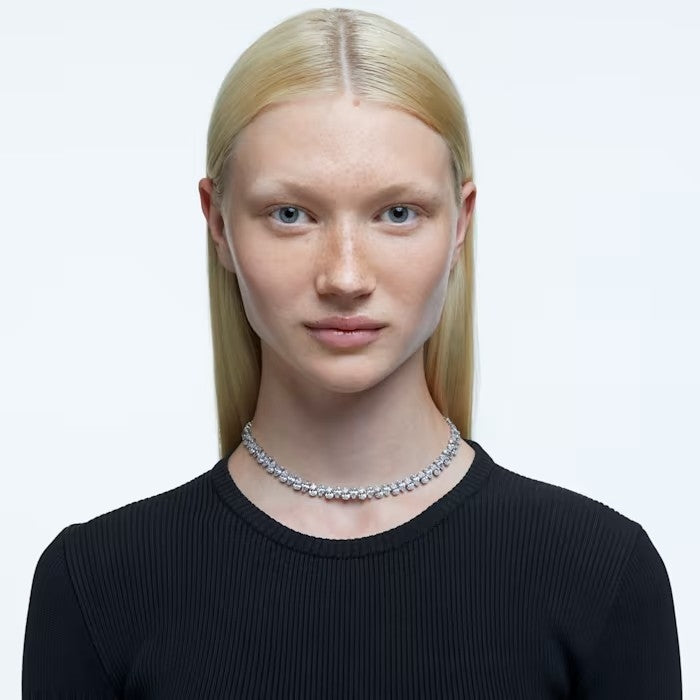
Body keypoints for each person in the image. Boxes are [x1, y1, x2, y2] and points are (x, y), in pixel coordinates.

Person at [22, 8, 682, 698]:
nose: (344, 276)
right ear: (217, 222)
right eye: (291, 214)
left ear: (461, 223)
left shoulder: (601, 575)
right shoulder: (97, 585)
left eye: (397, 214)